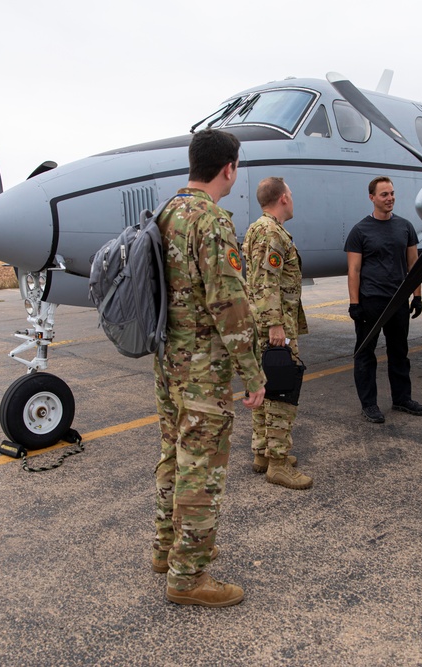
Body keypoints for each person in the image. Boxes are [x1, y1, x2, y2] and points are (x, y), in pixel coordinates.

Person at [151, 129, 266, 608]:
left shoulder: (166, 212)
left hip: (169, 364)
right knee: (202, 468)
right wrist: (253, 373)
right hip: (203, 367)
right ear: (229, 168)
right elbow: (229, 303)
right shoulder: (211, 221)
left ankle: (166, 549)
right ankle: (188, 576)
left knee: (174, 456)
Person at [242, 177, 312, 490]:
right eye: (292, 194)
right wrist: (275, 324)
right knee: (283, 389)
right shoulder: (271, 232)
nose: (293, 199)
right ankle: (279, 463)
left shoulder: (259, 228)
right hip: (274, 324)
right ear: (283, 198)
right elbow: (265, 281)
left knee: (264, 384)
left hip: (263, 321)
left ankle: (262, 453)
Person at [344, 176, 422, 424]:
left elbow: (414, 265)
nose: (390, 198)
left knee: (399, 352)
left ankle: (402, 398)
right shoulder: (360, 231)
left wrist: (418, 296)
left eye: (392, 193)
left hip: (399, 301)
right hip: (371, 302)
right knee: (365, 354)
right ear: (372, 198)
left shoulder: (405, 227)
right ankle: (369, 404)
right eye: (384, 194)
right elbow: (354, 270)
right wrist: (354, 303)